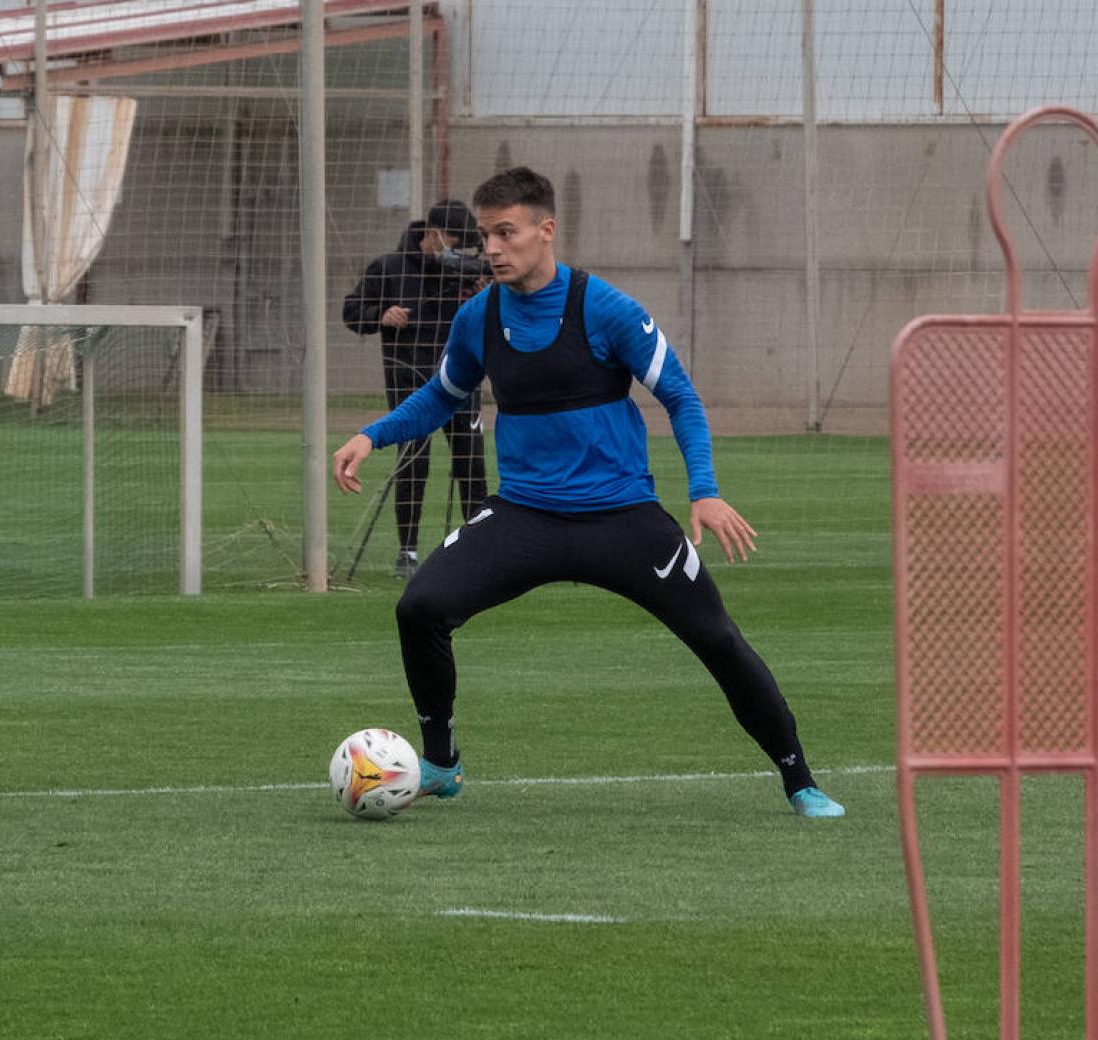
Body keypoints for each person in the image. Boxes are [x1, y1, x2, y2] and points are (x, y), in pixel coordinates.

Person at [331, 166, 844, 820]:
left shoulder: (608, 310)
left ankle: (799, 779)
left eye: (506, 233)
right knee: (420, 607)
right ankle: (442, 762)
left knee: (717, 639)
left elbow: (680, 398)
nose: (492, 248)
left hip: (622, 519)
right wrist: (371, 436)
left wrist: (705, 491)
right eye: (487, 234)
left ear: (546, 231)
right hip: (524, 516)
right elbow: (442, 396)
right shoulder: (477, 317)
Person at [342, 198, 490, 578]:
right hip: (409, 384)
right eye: (454, 241)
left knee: (471, 465)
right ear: (433, 234)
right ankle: (407, 551)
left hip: (460, 383)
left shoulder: (470, 272)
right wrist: (382, 316)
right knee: (413, 464)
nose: (460, 251)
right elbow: (352, 311)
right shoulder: (389, 267)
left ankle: (480, 548)